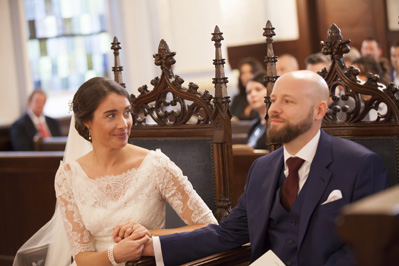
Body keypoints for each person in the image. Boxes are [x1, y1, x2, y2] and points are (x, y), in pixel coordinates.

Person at [141, 70, 387, 266]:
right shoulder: (262, 168)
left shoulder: (360, 164)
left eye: (287, 101)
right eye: (273, 101)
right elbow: (227, 233)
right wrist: (152, 246)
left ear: (319, 110)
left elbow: (367, 248)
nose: (273, 110)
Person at [13, 77, 217, 266]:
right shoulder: (68, 176)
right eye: (111, 115)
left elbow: (209, 228)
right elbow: (82, 256)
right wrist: (114, 255)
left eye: (127, 112)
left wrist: (150, 236)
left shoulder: (156, 165)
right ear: (87, 121)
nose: (124, 124)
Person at [245, 72, 269, 150]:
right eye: (249, 92)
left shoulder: (275, 123)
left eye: (258, 89)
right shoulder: (254, 125)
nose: (252, 95)